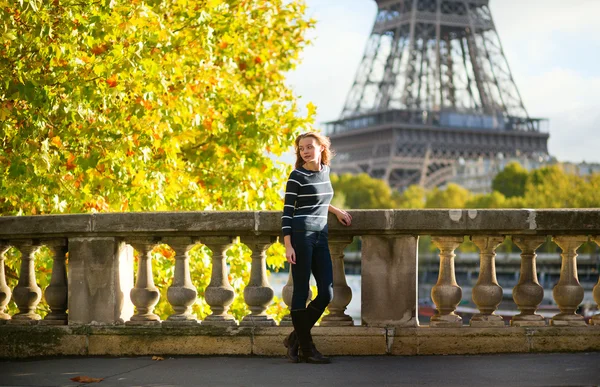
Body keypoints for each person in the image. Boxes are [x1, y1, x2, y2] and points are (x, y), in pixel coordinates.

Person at [281, 131, 352, 364]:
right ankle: (307, 348)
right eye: (302, 148)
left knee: (327, 293)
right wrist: (288, 245)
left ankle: (294, 339)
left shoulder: (326, 172)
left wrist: (336, 210)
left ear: (322, 148)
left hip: (322, 234)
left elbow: (319, 199)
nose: (305, 151)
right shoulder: (296, 176)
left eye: (310, 146)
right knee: (301, 292)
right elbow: (287, 213)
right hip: (301, 235)